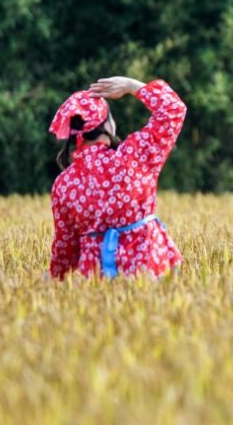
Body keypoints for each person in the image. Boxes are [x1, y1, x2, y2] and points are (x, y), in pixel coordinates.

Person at [48, 76, 187, 279]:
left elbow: (66, 247)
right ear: (107, 126)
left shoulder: (64, 184)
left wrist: (53, 278)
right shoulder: (135, 155)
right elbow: (173, 109)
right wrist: (131, 86)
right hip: (149, 268)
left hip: (97, 281)